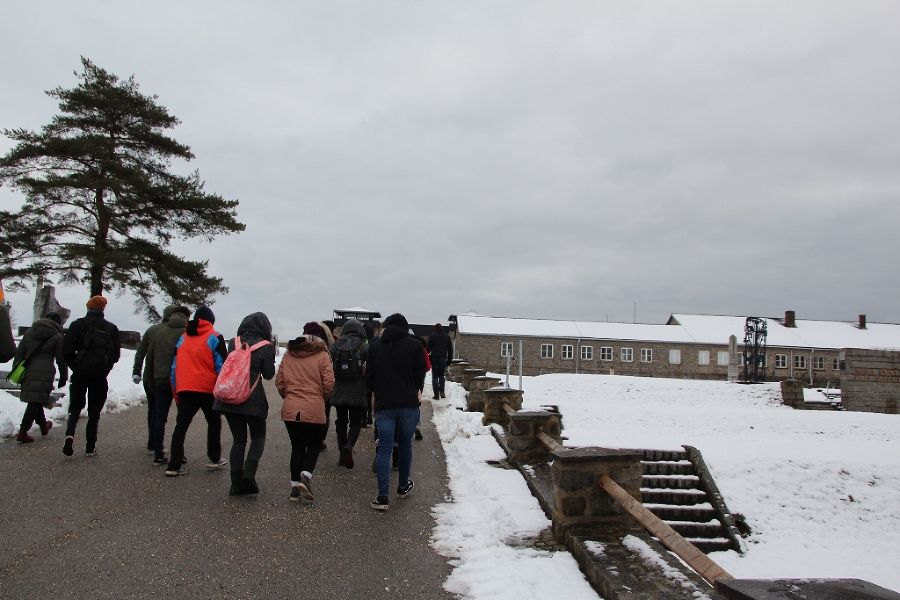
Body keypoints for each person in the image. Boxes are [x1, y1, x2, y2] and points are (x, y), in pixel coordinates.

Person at [366, 313, 426, 511]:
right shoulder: (415, 346)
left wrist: (378, 392)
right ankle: (402, 487)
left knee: (384, 449)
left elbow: (370, 377)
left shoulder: (375, 346)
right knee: (405, 445)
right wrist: (413, 390)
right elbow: (420, 375)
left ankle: (382, 497)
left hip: (384, 404)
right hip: (408, 404)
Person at [213, 312, 275, 496]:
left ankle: (235, 483)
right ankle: (248, 475)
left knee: (238, 440)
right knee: (258, 438)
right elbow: (269, 374)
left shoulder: (234, 342)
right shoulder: (266, 346)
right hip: (253, 400)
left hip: (230, 398)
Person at [165, 306, 228, 477]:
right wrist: (222, 389)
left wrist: (176, 390)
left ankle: (173, 465)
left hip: (185, 388)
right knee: (214, 421)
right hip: (208, 389)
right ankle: (214, 459)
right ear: (211, 321)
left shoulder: (183, 338)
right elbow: (221, 365)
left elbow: (174, 367)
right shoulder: (215, 337)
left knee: (181, 425)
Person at [275, 322, 334, 502]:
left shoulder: (289, 354)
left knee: (297, 446)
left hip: (291, 408)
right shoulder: (323, 355)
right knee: (314, 444)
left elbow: (280, 382)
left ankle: (294, 489)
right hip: (314, 406)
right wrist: (320, 398)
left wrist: (289, 396)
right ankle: (305, 476)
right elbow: (329, 383)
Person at [62, 295, 121, 457]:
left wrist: (75, 366)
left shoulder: (77, 325)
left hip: (80, 372)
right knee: (94, 411)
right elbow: (116, 355)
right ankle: (90, 446)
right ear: (103, 308)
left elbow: (66, 350)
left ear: (88, 307)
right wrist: (105, 368)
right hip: (99, 375)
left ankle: (70, 434)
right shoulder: (111, 328)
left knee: (75, 406)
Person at [144, 306, 190, 465]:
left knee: (159, 417)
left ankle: (158, 453)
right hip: (180, 381)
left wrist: (150, 380)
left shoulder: (159, 333)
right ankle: (179, 453)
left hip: (160, 380)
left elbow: (149, 359)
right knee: (182, 419)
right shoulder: (187, 333)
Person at [133, 305, 180, 453]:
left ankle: (152, 442)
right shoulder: (178, 332)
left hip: (149, 376)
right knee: (163, 412)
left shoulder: (152, 330)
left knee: (153, 410)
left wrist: (136, 371)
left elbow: (140, 352)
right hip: (169, 376)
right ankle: (160, 444)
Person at [14, 312, 67, 443]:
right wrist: (63, 377)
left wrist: (16, 370)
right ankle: (23, 432)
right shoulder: (57, 336)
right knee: (35, 401)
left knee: (36, 399)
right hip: (45, 371)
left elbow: (19, 354)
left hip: (28, 369)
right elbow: (61, 359)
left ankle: (43, 426)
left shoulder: (30, 332)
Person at [329, 318, 368, 469]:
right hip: (358, 390)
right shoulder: (364, 346)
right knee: (356, 422)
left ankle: (341, 453)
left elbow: (329, 363)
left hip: (339, 390)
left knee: (341, 421)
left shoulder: (336, 345)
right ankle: (349, 446)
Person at [427, 323, 453, 399]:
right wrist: (449, 361)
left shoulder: (432, 336)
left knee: (435, 376)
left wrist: (426, 357)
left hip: (434, 359)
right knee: (441, 376)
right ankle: (442, 392)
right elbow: (450, 350)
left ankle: (436, 395)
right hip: (443, 359)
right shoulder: (447, 337)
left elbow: (427, 348)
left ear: (435, 328)